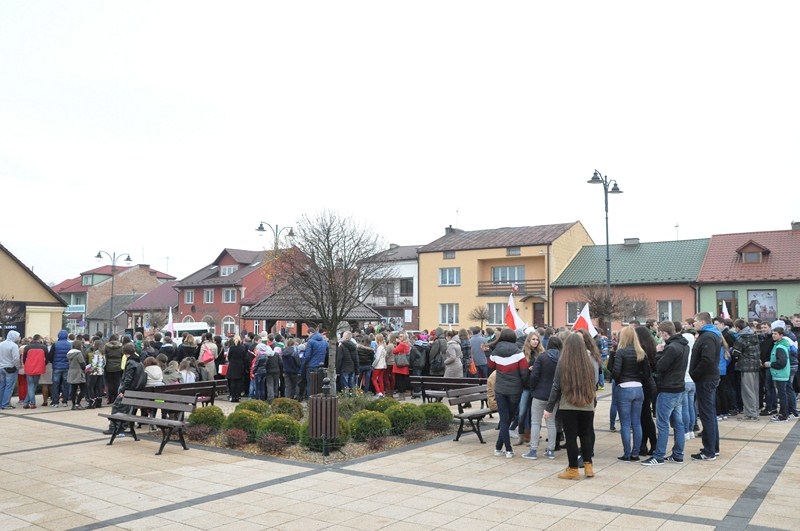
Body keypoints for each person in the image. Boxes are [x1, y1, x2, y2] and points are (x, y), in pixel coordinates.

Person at [544, 333, 598, 479]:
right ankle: (588, 466)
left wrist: (549, 407)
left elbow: (556, 385)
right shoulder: (590, 360)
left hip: (568, 405)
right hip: (587, 404)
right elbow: (595, 382)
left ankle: (573, 469)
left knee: (571, 438)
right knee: (586, 435)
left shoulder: (563, 361)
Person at [641, 321, 689, 466]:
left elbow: (660, 367)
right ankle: (678, 454)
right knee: (678, 424)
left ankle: (659, 455)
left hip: (668, 389)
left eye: (660, 333)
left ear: (664, 333)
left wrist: (659, 352)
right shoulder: (684, 345)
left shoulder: (671, 347)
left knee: (662, 424)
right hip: (679, 387)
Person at [488, 328, 528, 459]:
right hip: (515, 390)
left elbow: (490, 366)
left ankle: (498, 447)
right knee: (507, 419)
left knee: (504, 420)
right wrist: (523, 384)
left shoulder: (495, 352)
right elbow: (524, 372)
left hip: (500, 389)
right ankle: (509, 449)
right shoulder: (519, 353)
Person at [689, 312, 722, 461]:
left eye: (695, 321)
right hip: (708, 378)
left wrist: (695, 373)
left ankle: (709, 451)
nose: (693, 323)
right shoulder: (710, 335)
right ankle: (713, 447)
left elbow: (707, 360)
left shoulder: (708, 336)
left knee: (707, 414)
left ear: (702, 322)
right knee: (710, 413)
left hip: (706, 379)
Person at [522, 335, 562, 460]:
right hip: (554, 396)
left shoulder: (542, 357)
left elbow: (534, 376)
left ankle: (533, 450)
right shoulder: (562, 358)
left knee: (535, 422)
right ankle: (550, 450)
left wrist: (533, 388)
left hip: (539, 394)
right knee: (551, 422)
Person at [611, 326, 647, 462]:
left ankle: (627, 453)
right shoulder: (641, 352)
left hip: (624, 387)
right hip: (638, 388)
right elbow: (646, 373)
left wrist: (617, 380)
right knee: (636, 423)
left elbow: (616, 372)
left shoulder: (621, 352)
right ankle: (635, 453)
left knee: (625, 423)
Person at [103, 343, 147, 436]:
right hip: (135, 391)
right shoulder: (138, 361)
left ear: (125, 352)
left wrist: (123, 391)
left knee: (117, 406)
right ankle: (120, 428)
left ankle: (114, 428)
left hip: (129, 391)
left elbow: (128, 379)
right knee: (123, 408)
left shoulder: (130, 362)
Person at [511, 331, 544, 445]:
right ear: (529, 340)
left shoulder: (541, 353)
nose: (535, 341)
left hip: (537, 387)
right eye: (533, 339)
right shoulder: (523, 354)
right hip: (525, 386)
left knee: (535, 414)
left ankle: (534, 437)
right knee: (522, 412)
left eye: (537, 339)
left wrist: (537, 369)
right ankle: (521, 436)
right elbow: (518, 370)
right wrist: (528, 369)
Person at [634, 326, 658, 457]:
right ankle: (645, 444)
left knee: (644, 416)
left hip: (642, 385)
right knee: (645, 415)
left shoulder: (640, 350)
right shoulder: (651, 348)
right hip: (649, 385)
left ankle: (652, 444)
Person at [731, 318, 761, 421]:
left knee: (747, 391)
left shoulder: (742, 338)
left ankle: (750, 414)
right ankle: (755, 410)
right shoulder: (754, 336)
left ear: (738, 328)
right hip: (755, 366)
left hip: (746, 366)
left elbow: (735, 353)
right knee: (754, 390)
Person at [764, 324, 791, 422]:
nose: (773, 336)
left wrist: (770, 364)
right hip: (780, 374)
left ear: (781, 335)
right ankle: (783, 413)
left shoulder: (780, 347)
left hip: (781, 374)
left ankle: (784, 415)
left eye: (775, 334)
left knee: (782, 395)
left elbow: (782, 362)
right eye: (773, 334)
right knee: (783, 394)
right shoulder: (779, 345)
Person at [22, 334, 47, 409]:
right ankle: (32, 403)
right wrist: (43, 364)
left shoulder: (27, 347)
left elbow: (24, 358)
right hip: (38, 368)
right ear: (39, 339)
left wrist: (26, 365)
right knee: (34, 385)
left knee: (30, 385)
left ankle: (26, 402)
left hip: (29, 368)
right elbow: (47, 358)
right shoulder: (43, 347)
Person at [49, 329, 72, 407]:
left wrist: (53, 362)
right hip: (66, 366)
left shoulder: (55, 345)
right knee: (66, 384)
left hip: (56, 367)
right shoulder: (70, 345)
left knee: (55, 384)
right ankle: (65, 401)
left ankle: (55, 402)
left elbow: (51, 356)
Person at [0, 331, 21, 409]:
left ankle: (1, 402)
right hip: (10, 368)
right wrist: (17, 367)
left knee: (2, 386)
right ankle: (5, 404)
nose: (18, 338)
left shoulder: (1, 344)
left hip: (1, 367)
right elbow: (16, 358)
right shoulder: (14, 345)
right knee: (9, 387)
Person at [103, 334, 124, 406]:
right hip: (118, 366)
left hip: (109, 366)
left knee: (109, 383)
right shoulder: (121, 346)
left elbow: (105, 356)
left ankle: (110, 398)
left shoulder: (106, 346)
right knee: (117, 383)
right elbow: (122, 355)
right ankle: (116, 397)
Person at [66, 339, 87, 410]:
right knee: (83, 389)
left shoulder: (69, 353)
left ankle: (73, 404)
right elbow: (82, 364)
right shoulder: (78, 353)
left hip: (71, 372)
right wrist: (85, 368)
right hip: (78, 372)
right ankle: (78, 403)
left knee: (73, 389)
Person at [85, 339, 106, 409]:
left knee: (90, 387)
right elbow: (104, 363)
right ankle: (98, 402)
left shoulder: (96, 353)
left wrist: (89, 369)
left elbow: (94, 364)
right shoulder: (103, 353)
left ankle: (92, 402)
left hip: (94, 372)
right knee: (98, 387)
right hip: (101, 371)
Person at [392, 332, 411, 398]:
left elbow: (394, 351)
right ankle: (403, 396)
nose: (399, 337)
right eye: (399, 336)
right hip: (404, 364)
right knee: (402, 380)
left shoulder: (402, 344)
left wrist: (396, 346)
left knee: (399, 381)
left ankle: (401, 395)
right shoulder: (407, 344)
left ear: (404, 337)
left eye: (401, 336)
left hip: (399, 365)